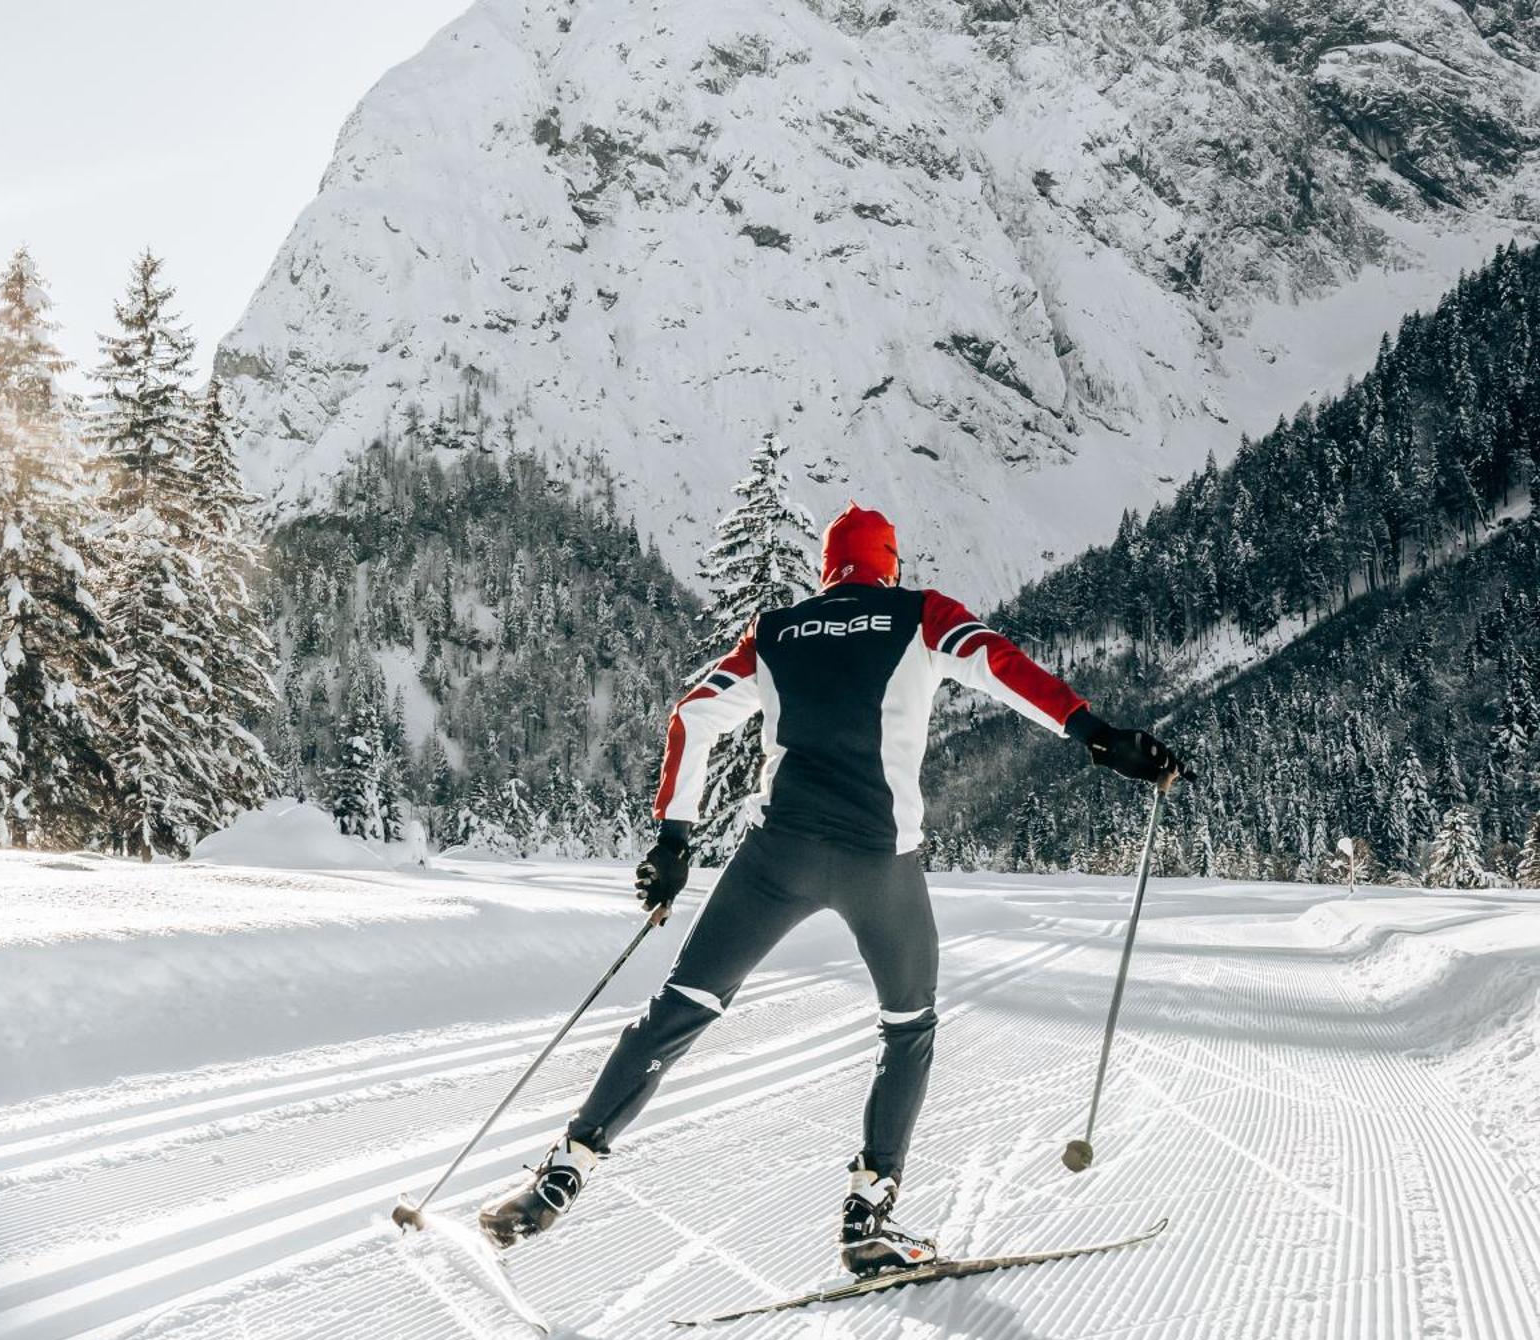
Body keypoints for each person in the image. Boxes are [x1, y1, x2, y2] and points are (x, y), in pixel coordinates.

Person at [478, 503, 1186, 1272]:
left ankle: (563, 1172)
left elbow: (693, 717)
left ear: (827, 569)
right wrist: (1095, 736)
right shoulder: (921, 614)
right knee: (908, 1027)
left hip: (775, 858)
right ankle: (868, 1214)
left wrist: (674, 840)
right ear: (890, 564)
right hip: (878, 861)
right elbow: (1002, 668)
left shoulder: (777, 632)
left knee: (679, 1009)